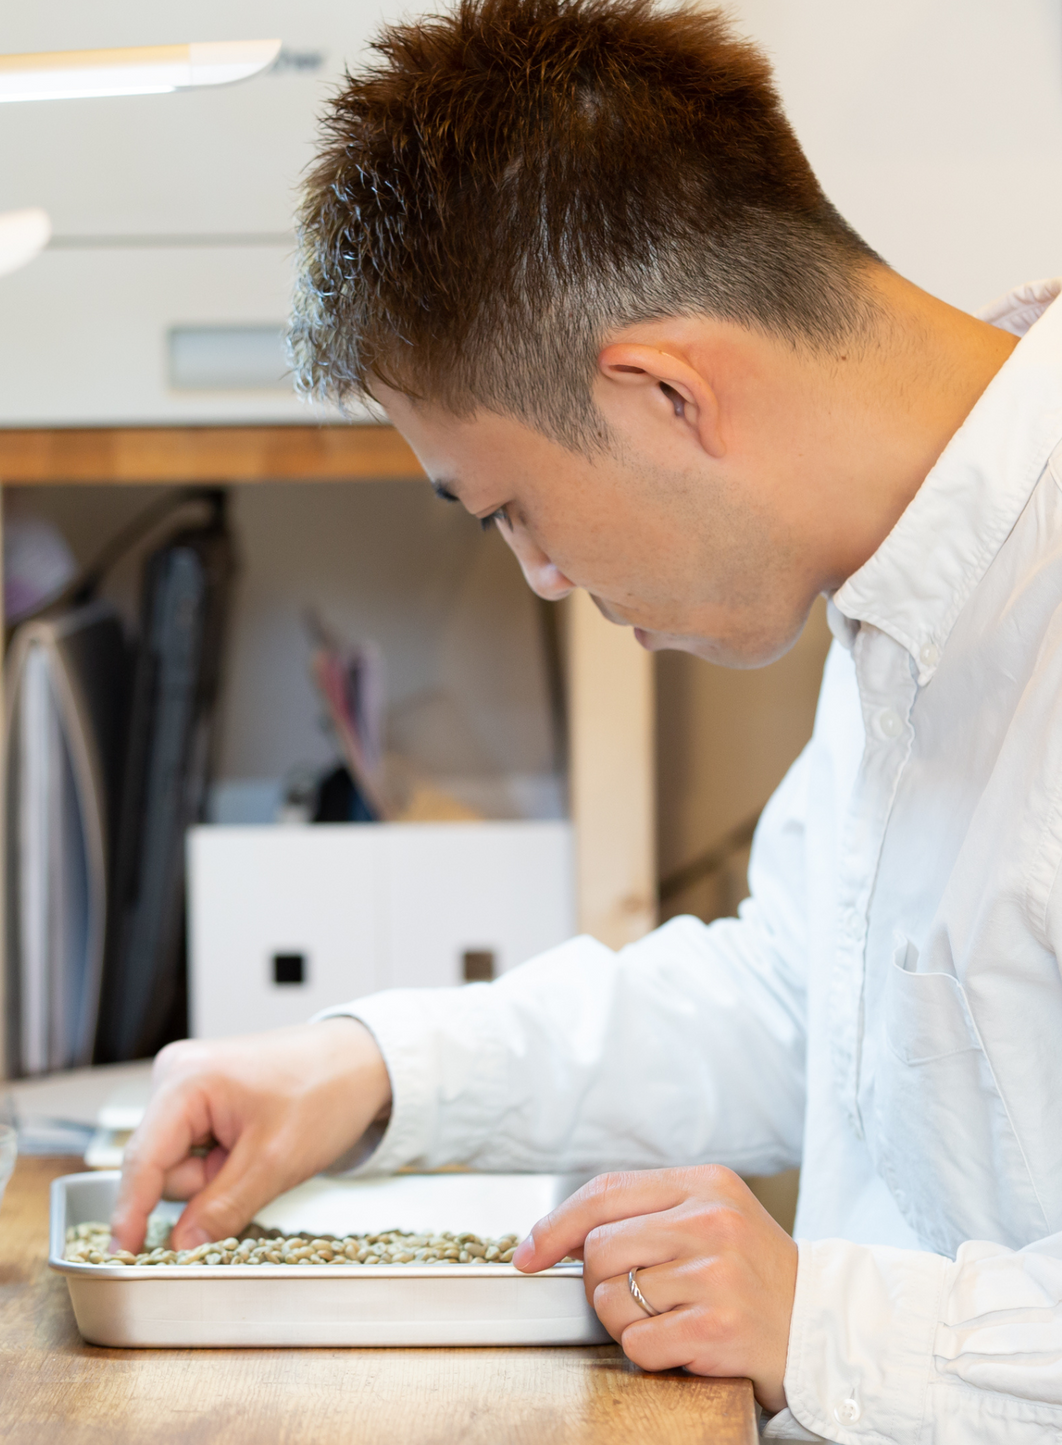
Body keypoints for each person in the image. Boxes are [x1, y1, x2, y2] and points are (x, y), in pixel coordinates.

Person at [111, 1, 1062, 1438]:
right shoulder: (920, 569)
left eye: (516, 510)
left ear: (668, 391)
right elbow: (817, 1001)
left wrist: (825, 1320)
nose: (545, 577)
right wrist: (374, 1071)